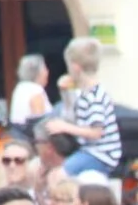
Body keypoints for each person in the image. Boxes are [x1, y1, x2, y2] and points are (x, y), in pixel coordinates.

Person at [39, 39, 121, 177]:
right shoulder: (84, 93)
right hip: (89, 151)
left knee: (59, 175)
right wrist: (65, 92)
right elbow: (72, 115)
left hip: (100, 154)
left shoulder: (94, 96)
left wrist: (63, 127)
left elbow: (96, 132)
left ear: (76, 67)